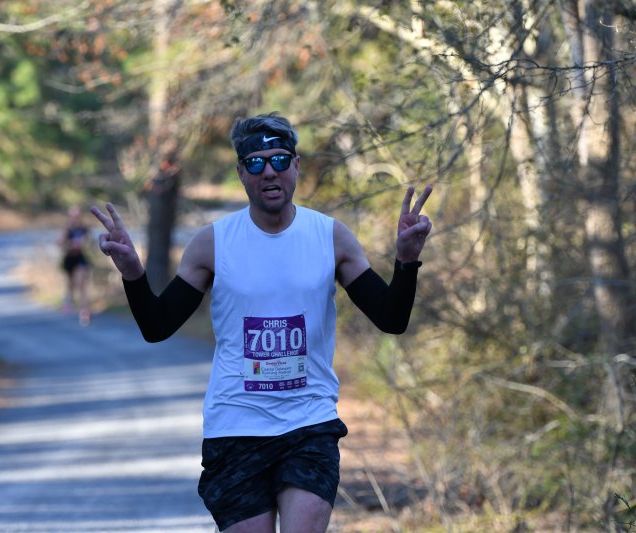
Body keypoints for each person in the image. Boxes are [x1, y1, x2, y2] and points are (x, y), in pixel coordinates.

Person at [91, 112, 433, 533]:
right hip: (235, 425)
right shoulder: (213, 243)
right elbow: (157, 325)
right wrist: (132, 273)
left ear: (296, 165)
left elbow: (391, 318)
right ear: (240, 172)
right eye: (255, 162)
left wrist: (406, 261)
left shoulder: (331, 237)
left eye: (279, 159)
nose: (269, 171)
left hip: (308, 422)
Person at [59, 205, 91, 326]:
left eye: (76, 216)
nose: (74, 218)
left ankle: (84, 312)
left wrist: (81, 244)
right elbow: (60, 243)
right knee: (69, 285)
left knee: (81, 285)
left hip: (80, 259)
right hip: (69, 259)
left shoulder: (84, 229)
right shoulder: (67, 229)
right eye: (72, 216)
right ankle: (68, 303)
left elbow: (86, 242)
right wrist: (69, 244)